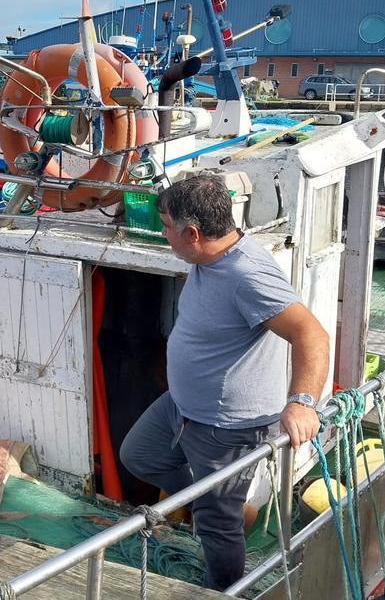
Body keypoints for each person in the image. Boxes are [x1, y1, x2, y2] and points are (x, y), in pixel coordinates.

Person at [119, 172, 330, 591]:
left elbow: (311, 333)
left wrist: (303, 401)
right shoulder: (207, 257)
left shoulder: (247, 275)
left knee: (216, 528)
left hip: (228, 425)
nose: (164, 236)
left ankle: (224, 590)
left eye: (165, 227)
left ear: (193, 233)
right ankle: (217, 502)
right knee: (139, 454)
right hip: (182, 406)